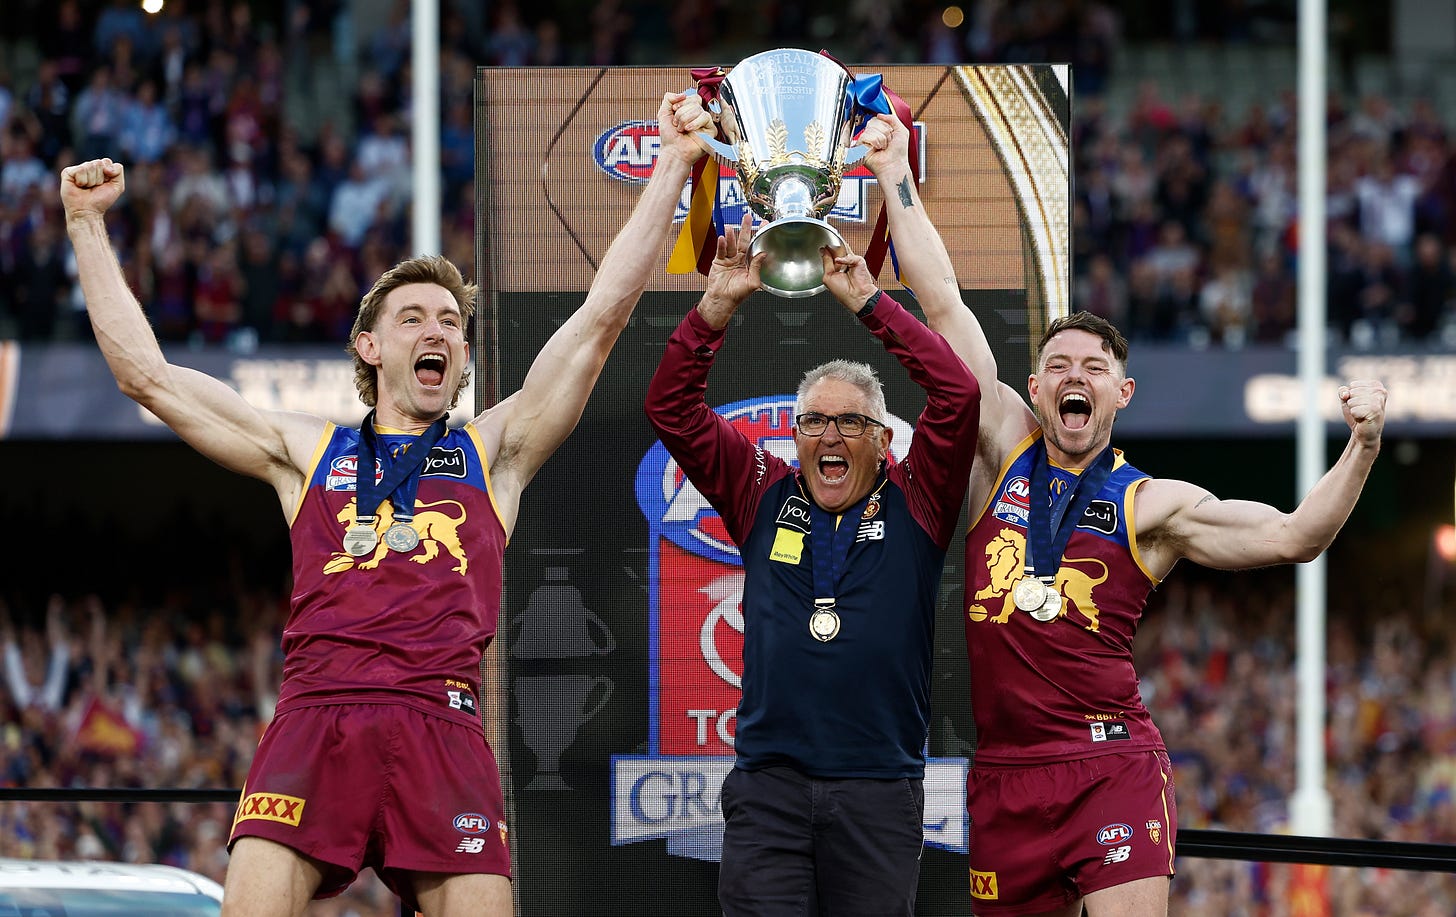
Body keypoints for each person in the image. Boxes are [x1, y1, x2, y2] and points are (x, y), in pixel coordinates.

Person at [59, 91, 712, 917]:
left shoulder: (489, 450)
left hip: (441, 718)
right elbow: (145, 377)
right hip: (314, 715)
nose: (436, 329)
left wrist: (674, 167)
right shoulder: (308, 451)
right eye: (413, 317)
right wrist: (85, 223)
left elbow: (599, 319)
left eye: (450, 320)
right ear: (371, 346)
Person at [854, 112, 1388, 916]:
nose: (1075, 376)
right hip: (1005, 775)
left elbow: (1295, 535)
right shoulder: (1002, 448)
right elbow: (945, 304)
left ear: (1120, 393)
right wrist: (895, 172)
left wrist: (1366, 442)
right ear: (1035, 391)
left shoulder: (1151, 503)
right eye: (1058, 365)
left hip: (1111, 765)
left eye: (1094, 367)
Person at [644, 217, 981, 916]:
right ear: (794, 436)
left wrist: (870, 303)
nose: (829, 435)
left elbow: (959, 396)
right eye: (813, 422)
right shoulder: (761, 489)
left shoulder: (918, 497)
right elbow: (671, 408)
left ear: (883, 440)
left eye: (850, 422)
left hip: (880, 790)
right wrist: (715, 309)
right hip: (772, 789)